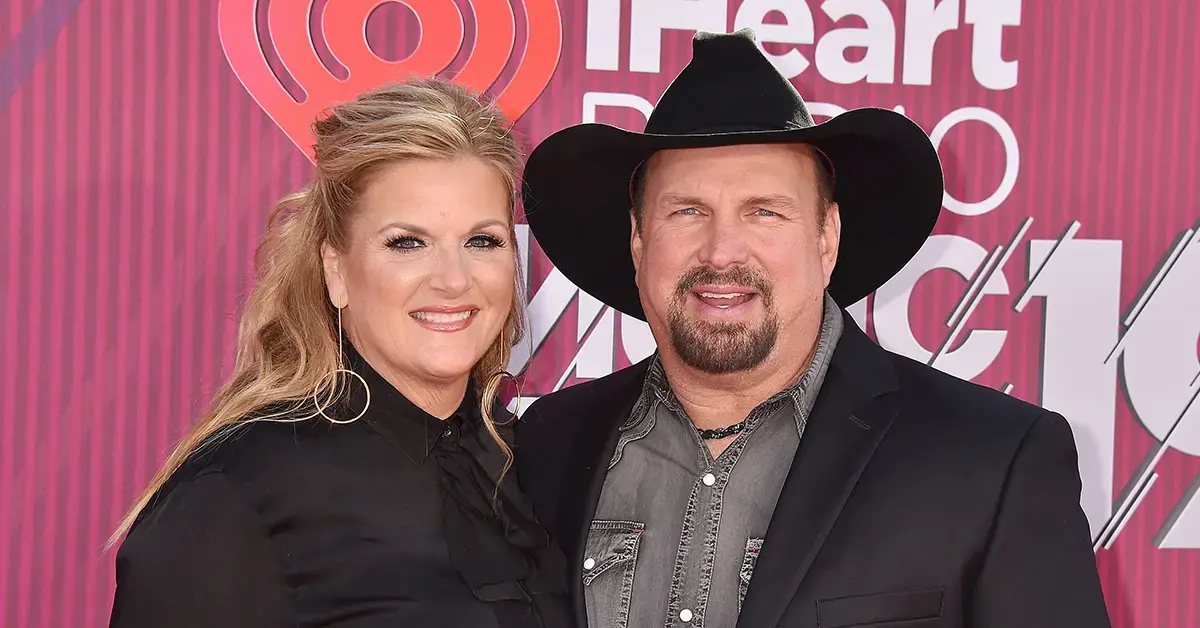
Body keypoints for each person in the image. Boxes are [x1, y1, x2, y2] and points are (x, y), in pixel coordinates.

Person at [516, 29, 1111, 628]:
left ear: (827, 238)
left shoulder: (994, 459)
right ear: (639, 241)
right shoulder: (545, 446)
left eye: (765, 212)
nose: (722, 252)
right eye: (687, 211)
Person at [107, 78, 573, 628]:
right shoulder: (240, 488)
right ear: (336, 271)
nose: (454, 280)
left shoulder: (536, 467)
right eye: (408, 243)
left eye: (482, 241)